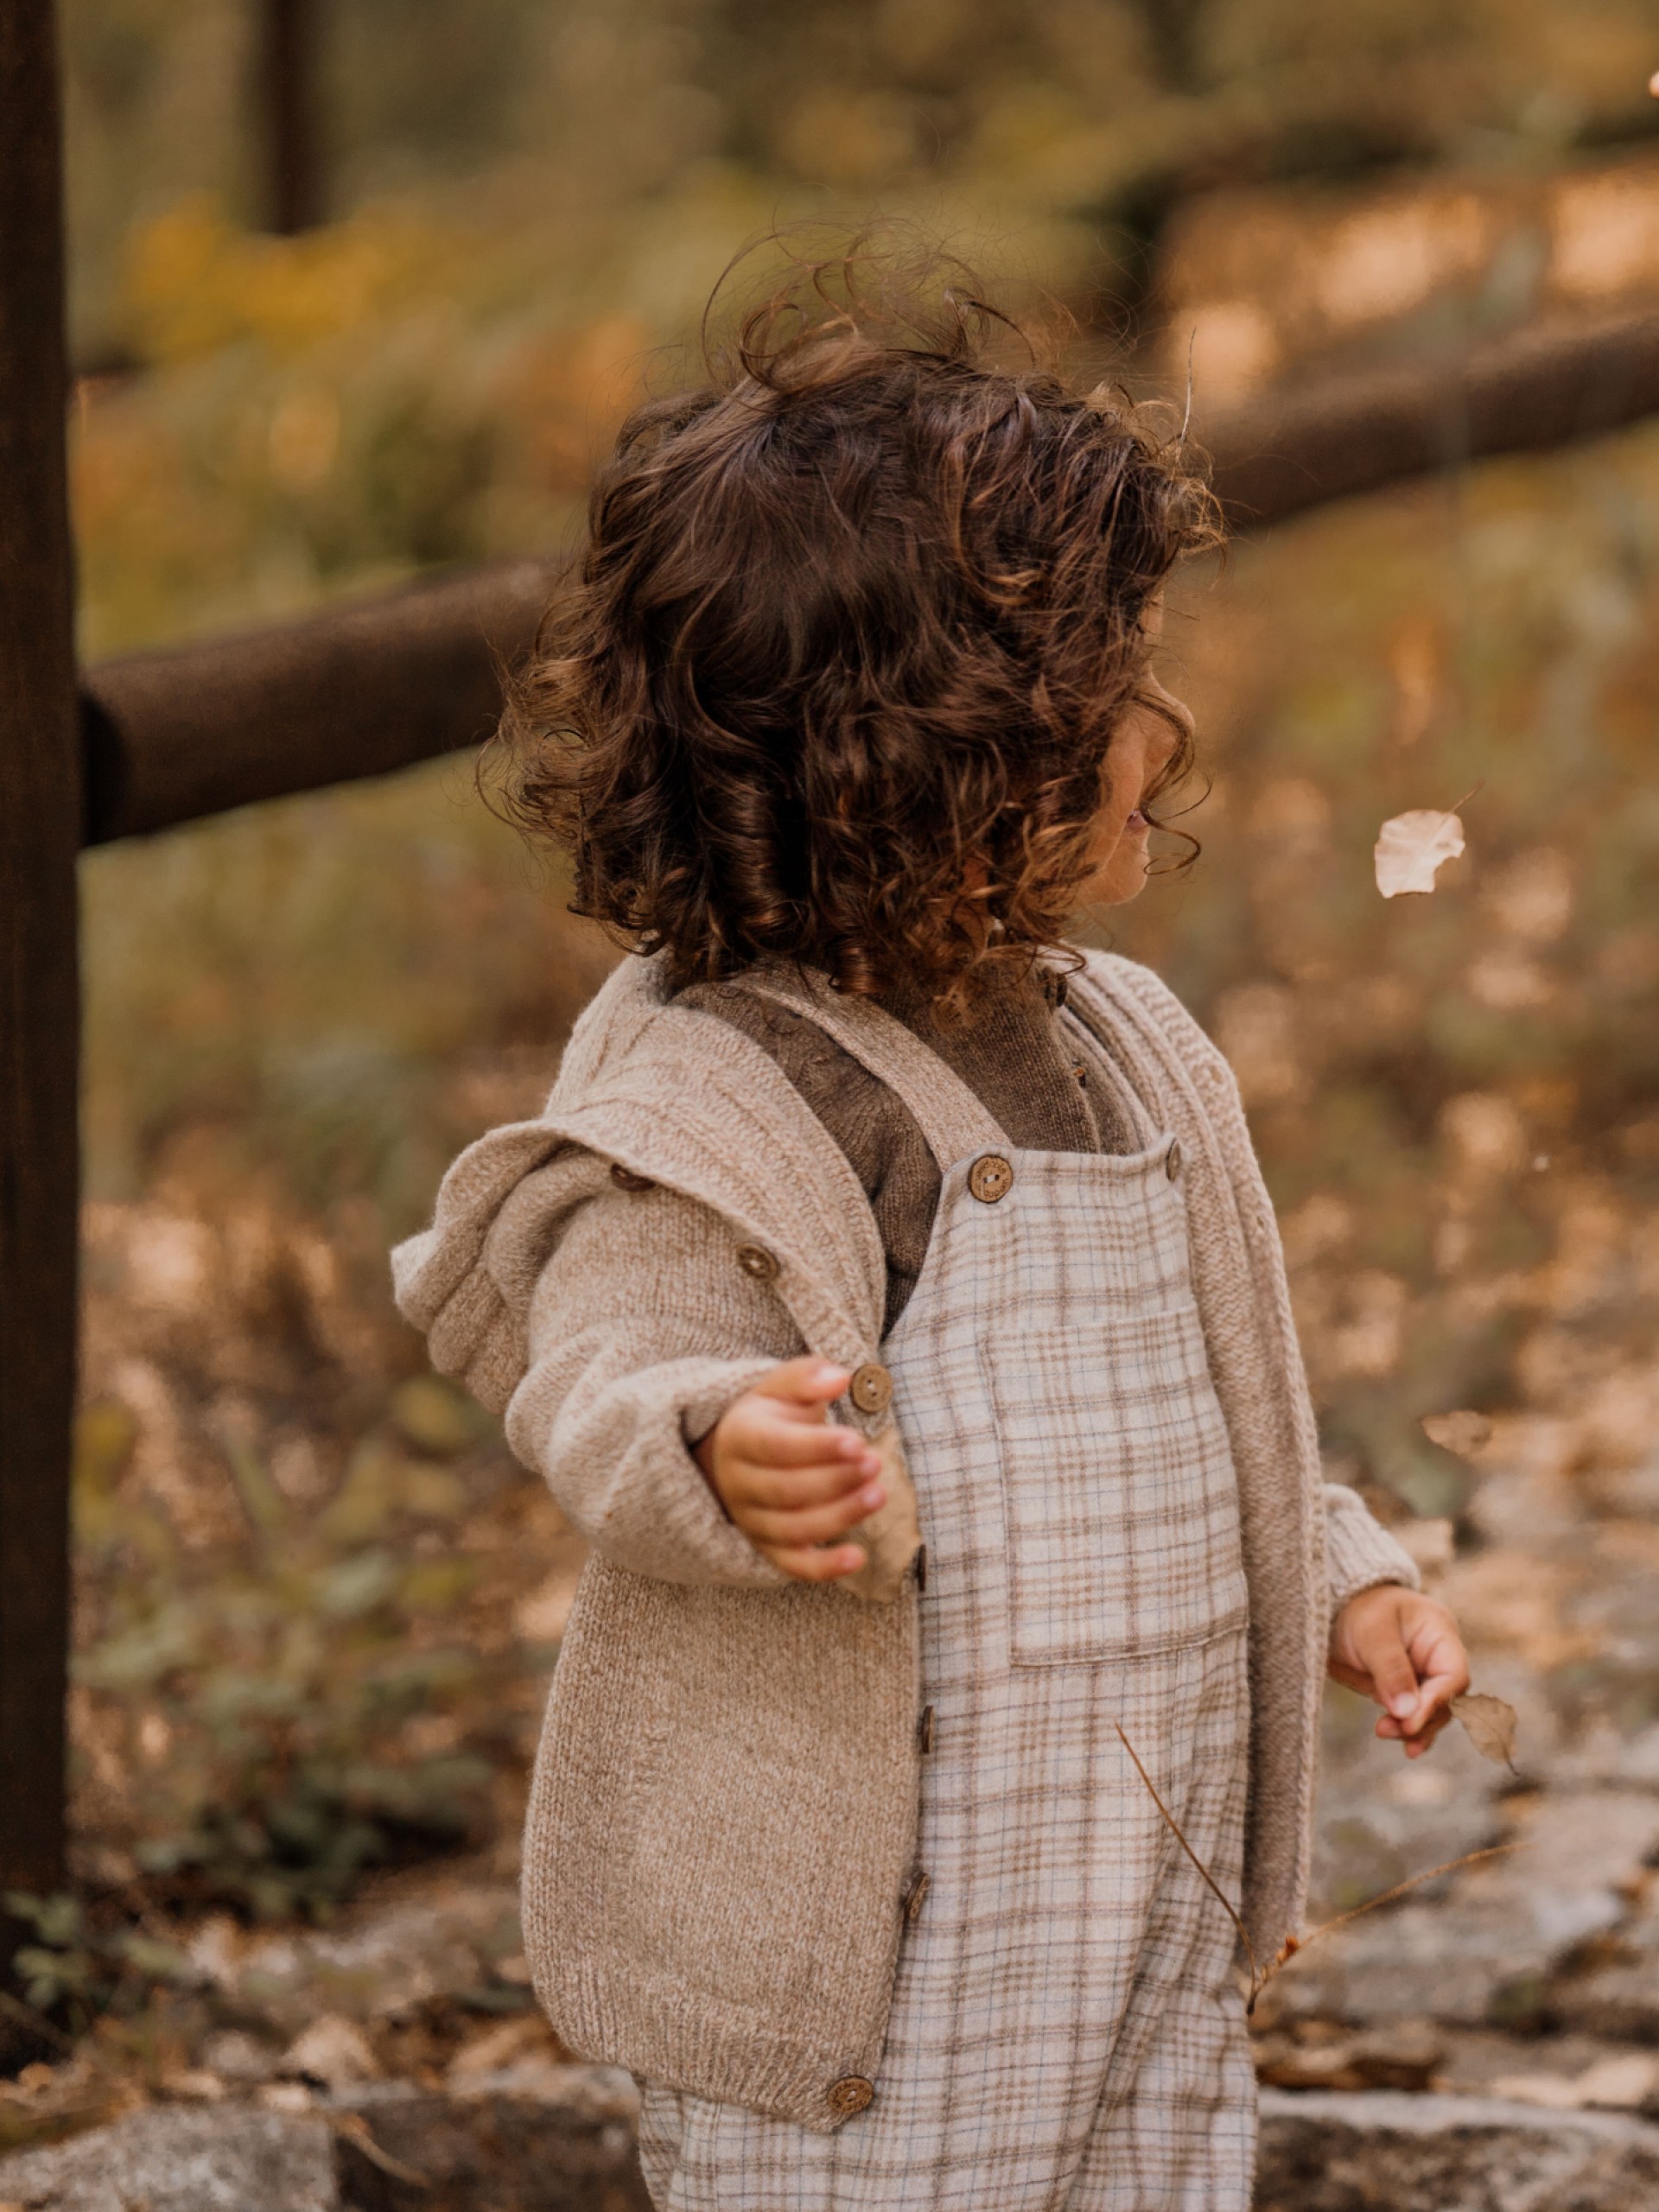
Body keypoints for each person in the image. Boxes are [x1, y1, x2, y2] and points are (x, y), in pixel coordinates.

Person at [393, 245, 1470, 2210]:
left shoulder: (1124, 1038)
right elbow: (608, 1352)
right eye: (1113, 693)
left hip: (1146, 1867)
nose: (1170, 725)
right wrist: (720, 1441)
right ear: (942, 769)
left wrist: (1345, 1577)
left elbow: (1214, 1399)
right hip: (887, 1944)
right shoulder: (723, 1085)